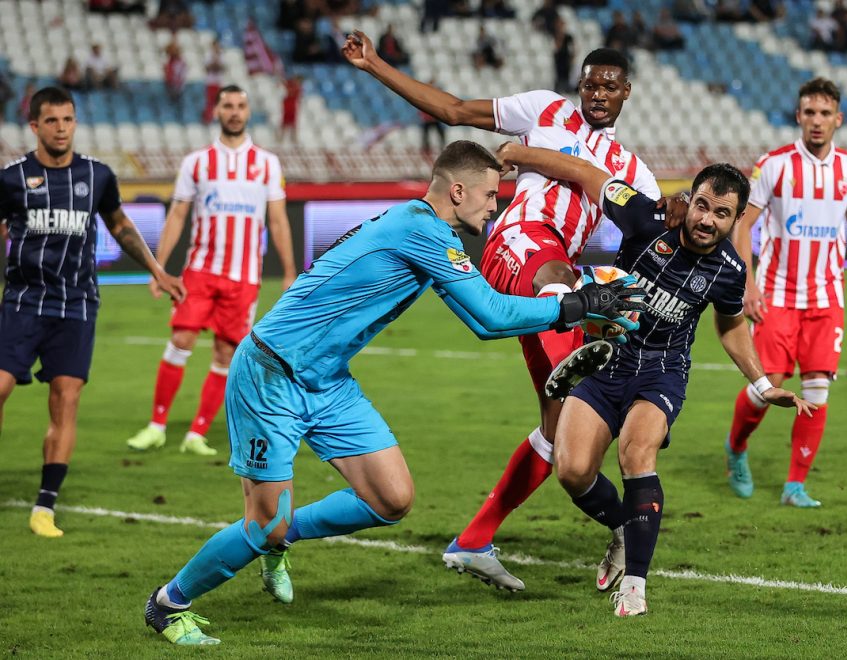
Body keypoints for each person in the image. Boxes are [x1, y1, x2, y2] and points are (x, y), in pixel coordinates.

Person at [140, 140, 643, 645]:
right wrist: (578, 305)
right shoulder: (420, 231)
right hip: (272, 374)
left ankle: (282, 537)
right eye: (491, 195)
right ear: (458, 190)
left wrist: (578, 305)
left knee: (390, 498)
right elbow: (492, 317)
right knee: (262, 523)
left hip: (327, 380)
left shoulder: (424, 229)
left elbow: (481, 321)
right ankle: (168, 603)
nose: (496, 206)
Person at [343, 32, 686, 591]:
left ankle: (475, 540)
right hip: (521, 245)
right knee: (563, 282)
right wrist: (375, 64)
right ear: (578, 87)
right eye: (590, 85)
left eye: (609, 86)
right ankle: (584, 366)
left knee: (559, 436)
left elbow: (657, 220)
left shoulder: (632, 170)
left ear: (626, 92)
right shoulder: (543, 109)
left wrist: (680, 204)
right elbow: (455, 109)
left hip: (553, 278)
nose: (598, 94)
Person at [494, 142, 815, 615]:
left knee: (636, 452)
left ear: (737, 219)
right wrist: (520, 153)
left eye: (721, 214)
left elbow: (731, 326)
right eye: (702, 205)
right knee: (573, 470)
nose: (706, 220)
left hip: (661, 372)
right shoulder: (647, 219)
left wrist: (763, 385)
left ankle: (635, 587)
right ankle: (625, 530)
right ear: (691, 197)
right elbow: (586, 172)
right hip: (604, 359)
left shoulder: (730, 270)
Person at [0, 86, 184, 538]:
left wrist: (158, 270)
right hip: (23, 302)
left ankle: (45, 506)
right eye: (52, 121)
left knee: (65, 400)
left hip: (76, 305)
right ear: (35, 126)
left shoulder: (96, 176)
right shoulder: (12, 179)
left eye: (68, 119)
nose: (61, 128)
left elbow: (119, 225)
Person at [724, 78, 847, 507]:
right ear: (798, 116)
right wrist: (748, 284)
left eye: (825, 113)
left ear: (838, 119)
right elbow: (744, 225)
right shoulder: (773, 165)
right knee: (768, 385)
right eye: (809, 112)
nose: (817, 120)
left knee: (817, 390)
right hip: (776, 295)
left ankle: (795, 485)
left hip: (826, 297)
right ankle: (736, 447)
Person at [125, 86, 297, 456]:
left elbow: (279, 221)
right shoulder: (197, 162)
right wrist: (158, 268)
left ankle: (197, 433)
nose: (234, 112)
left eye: (240, 106)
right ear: (217, 111)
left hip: (244, 277)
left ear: (248, 112)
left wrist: (289, 272)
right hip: (200, 271)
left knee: (225, 354)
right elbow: (177, 215)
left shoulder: (268, 163)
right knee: (181, 340)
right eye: (227, 105)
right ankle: (156, 425)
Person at [202, 39, 225, 124]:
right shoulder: (208, 55)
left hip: (218, 82)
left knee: (219, 102)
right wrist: (215, 62)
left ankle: (218, 119)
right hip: (210, 82)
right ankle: (208, 119)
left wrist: (216, 63)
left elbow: (221, 67)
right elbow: (208, 68)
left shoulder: (221, 55)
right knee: (210, 102)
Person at [278, 75, 303, 143]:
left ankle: (294, 138)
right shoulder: (291, 84)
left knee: (293, 123)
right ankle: (281, 138)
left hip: (292, 105)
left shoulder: (298, 88)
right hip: (288, 104)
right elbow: (283, 83)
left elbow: (296, 95)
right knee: (285, 122)